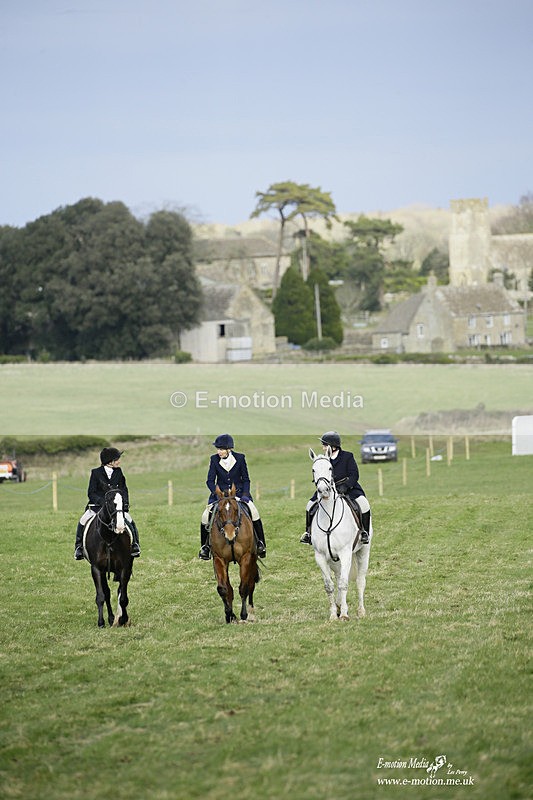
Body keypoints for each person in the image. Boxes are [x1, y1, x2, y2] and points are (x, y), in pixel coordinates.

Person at [199, 434, 266, 560]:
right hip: (220, 497)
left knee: (254, 512)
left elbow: (246, 479)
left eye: (221, 449)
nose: (219, 452)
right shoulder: (214, 460)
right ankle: (205, 547)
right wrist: (216, 493)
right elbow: (209, 481)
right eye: (218, 449)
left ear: (229, 449)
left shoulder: (240, 458)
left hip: (240, 495)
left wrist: (246, 494)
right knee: (205, 516)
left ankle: (261, 543)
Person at [300, 431, 371, 546]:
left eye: (324, 445)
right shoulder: (323, 459)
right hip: (328, 489)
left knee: (364, 504)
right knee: (309, 505)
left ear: (332, 446)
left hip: (348, 488)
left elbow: (354, 475)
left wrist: (346, 486)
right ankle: (308, 533)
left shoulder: (348, 456)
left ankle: (364, 532)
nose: (323, 448)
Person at [74, 447, 141, 560]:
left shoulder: (118, 472)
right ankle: (79, 547)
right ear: (110, 461)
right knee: (82, 520)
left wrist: (124, 503)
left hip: (115, 508)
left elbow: (124, 490)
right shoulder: (96, 473)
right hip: (97, 507)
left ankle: (135, 545)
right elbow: (91, 492)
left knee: (130, 521)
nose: (119, 461)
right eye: (117, 459)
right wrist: (103, 502)